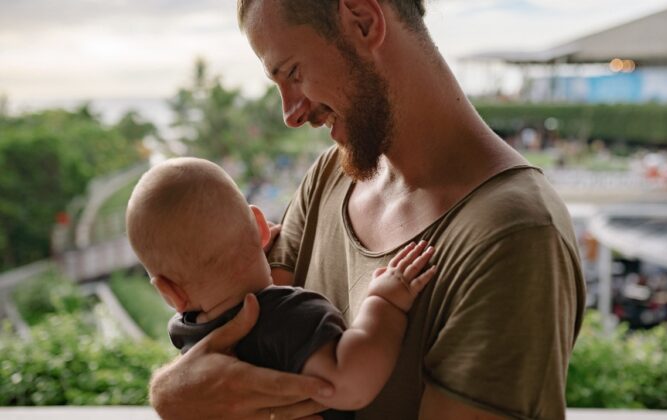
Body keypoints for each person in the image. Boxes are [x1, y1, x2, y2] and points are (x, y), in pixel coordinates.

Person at [149, 0, 587, 419]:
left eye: (294, 73)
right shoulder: (330, 178)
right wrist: (169, 392)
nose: (290, 114)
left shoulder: (516, 234)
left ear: (362, 20)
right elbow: (242, 340)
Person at [127, 157, 437, 419]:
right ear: (262, 227)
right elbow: (349, 386)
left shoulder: (188, 336)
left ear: (169, 292)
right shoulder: (290, 315)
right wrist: (385, 302)